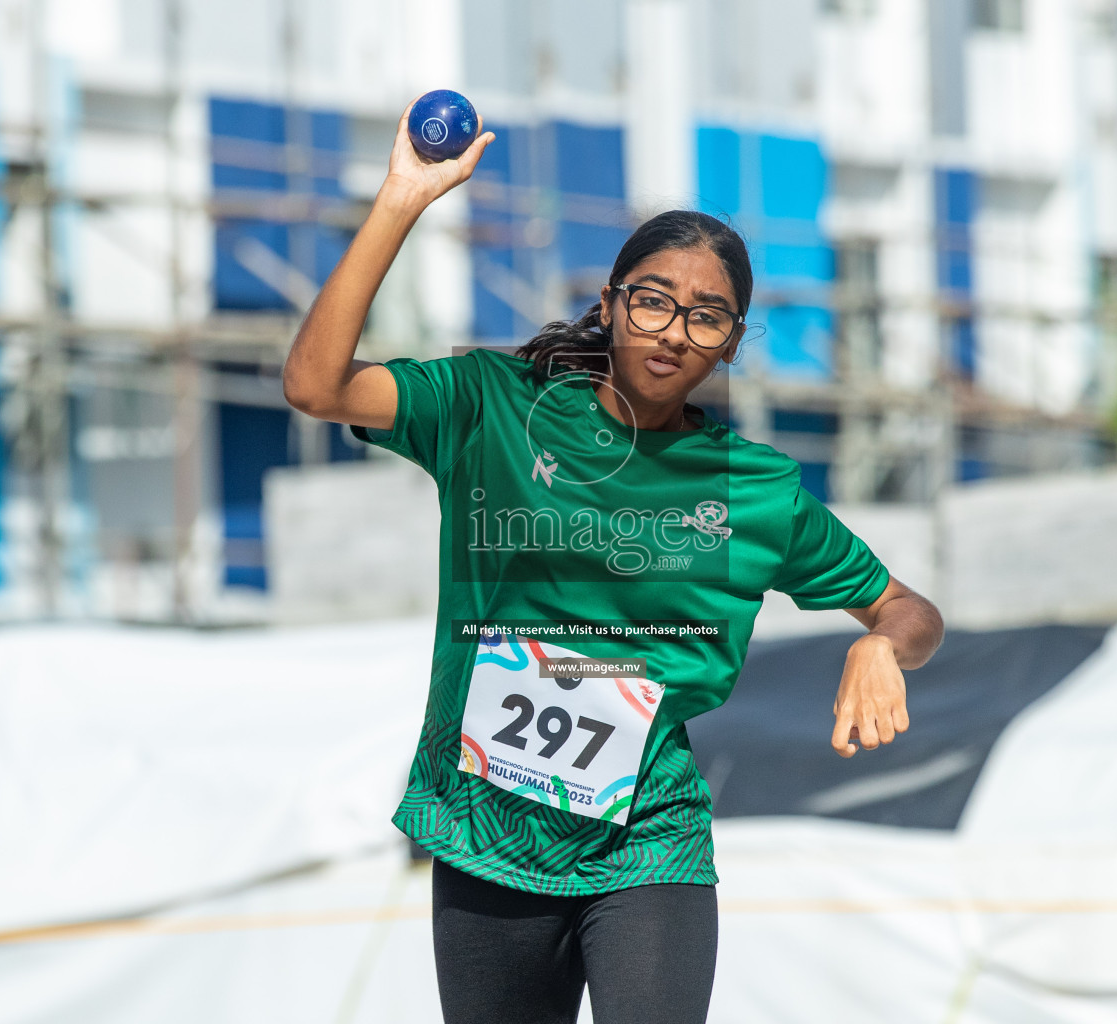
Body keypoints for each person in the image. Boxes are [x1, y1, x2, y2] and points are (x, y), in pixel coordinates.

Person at [283, 97, 944, 1024]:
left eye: (709, 318)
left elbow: (910, 609)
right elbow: (314, 385)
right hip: (485, 829)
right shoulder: (492, 409)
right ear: (611, 303)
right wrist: (401, 200)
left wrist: (882, 646)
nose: (676, 331)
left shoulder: (754, 489)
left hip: (650, 840)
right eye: (654, 301)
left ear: (734, 343)